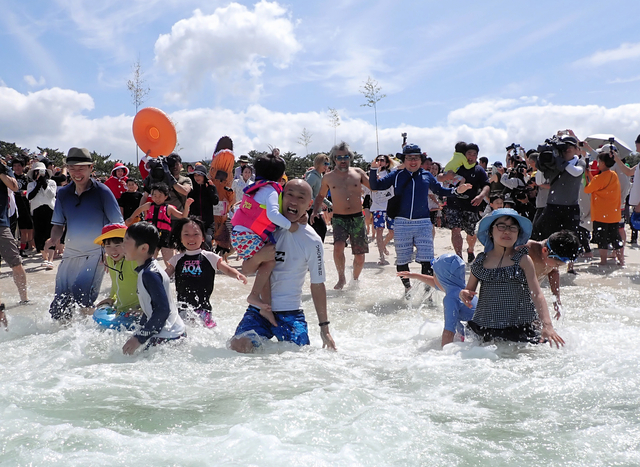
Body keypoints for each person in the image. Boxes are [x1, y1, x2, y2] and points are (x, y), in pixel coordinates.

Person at [229, 179, 336, 353]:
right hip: (259, 309)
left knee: (298, 356)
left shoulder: (312, 240)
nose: (293, 201)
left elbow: (317, 284)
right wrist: (259, 257)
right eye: (289, 195)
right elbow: (247, 270)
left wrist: (324, 328)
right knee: (238, 346)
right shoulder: (266, 228)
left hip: (290, 312)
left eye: (301, 198)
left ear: (309, 204)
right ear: (280, 197)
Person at [370, 144, 471, 297]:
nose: (413, 161)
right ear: (403, 159)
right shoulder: (396, 175)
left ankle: (427, 294)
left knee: (427, 261)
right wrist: (372, 169)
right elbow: (375, 185)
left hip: (423, 222)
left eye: (416, 158)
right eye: (409, 158)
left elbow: (440, 191)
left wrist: (457, 191)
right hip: (402, 222)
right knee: (402, 261)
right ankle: (408, 289)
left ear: (420, 160)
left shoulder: (426, 175)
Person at [460, 208, 564, 347]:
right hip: (486, 326)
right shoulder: (480, 260)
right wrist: (464, 294)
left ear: (518, 234)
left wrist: (547, 325)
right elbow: (469, 290)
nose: (507, 231)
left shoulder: (523, 260)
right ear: (491, 232)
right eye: (501, 226)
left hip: (520, 327)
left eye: (513, 228)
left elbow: (537, 294)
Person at [45, 147, 124, 320]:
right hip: (71, 252)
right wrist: (53, 238)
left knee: (83, 298)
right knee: (60, 301)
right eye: (72, 168)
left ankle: (87, 336)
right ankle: (61, 339)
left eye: (81, 168)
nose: (76, 172)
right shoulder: (63, 193)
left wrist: (112, 253)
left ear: (91, 168)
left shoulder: (102, 192)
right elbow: (58, 223)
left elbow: (118, 225)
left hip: (95, 253)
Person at [231, 150, 297, 316]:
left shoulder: (258, 189)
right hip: (248, 236)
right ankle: (254, 295)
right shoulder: (271, 191)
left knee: (265, 268)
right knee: (270, 262)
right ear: (281, 177)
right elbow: (273, 214)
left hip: (240, 235)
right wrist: (290, 226)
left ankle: (265, 307)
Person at [166, 217, 247, 328]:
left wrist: (237, 274)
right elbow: (164, 276)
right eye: (186, 234)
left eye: (196, 234)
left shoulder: (210, 257)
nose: (191, 238)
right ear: (180, 238)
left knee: (204, 331)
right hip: (183, 309)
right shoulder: (177, 259)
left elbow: (226, 268)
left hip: (203, 309)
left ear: (203, 238)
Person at [311, 142, 371, 289]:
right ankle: (341, 278)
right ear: (334, 159)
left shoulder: (358, 172)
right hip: (339, 218)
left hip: (357, 217)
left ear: (350, 157)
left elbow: (374, 187)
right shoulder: (328, 177)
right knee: (338, 247)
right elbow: (320, 196)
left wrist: (375, 170)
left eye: (345, 157)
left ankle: (355, 280)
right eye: (339, 157)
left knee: (359, 255)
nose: (343, 160)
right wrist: (314, 212)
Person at [122, 222, 186, 355]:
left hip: (168, 337)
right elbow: (152, 308)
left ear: (143, 248)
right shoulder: (148, 269)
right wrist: (140, 329)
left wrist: (138, 338)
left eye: (126, 241)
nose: (122, 246)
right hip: (170, 333)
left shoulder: (149, 274)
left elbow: (162, 310)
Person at [397, 253, 477, 347]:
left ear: (442, 279)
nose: (434, 278)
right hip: (477, 336)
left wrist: (442, 356)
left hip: (473, 341)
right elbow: (437, 283)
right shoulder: (461, 291)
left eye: (435, 275)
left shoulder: (450, 299)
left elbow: (449, 331)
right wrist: (415, 276)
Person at [443, 143, 490, 263]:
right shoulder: (457, 167)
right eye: (469, 153)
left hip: (472, 204)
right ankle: (459, 256)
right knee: (456, 229)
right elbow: (443, 177)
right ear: (464, 155)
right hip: (453, 202)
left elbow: (486, 185)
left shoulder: (479, 170)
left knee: (471, 232)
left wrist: (481, 196)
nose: (471, 156)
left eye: (474, 154)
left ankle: (470, 250)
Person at [125, 182, 193, 264]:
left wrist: (186, 206)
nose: (157, 198)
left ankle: (171, 276)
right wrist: (131, 218)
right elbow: (139, 210)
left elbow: (183, 216)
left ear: (166, 197)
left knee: (169, 262)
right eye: (155, 195)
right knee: (149, 260)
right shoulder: (148, 205)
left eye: (160, 196)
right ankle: (150, 274)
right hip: (151, 235)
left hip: (165, 237)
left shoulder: (169, 208)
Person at [522, 230, 581, 319]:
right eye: (557, 264)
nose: (556, 267)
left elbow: (553, 272)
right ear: (545, 250)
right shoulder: (526, 250)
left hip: (529, 297)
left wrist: (556, 299)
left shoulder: (549, 257)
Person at [584, 149, 623, 266]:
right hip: (613, 213)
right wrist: (591, 176)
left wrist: (587, 177)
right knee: (616, 238)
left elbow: (588, 189)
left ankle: (603, 261)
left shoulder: (598, 178)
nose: (598, 163)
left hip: (601, 214)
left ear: (603, 163)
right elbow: (598, 185)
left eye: (599, 161)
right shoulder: (614, 175)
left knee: (602, 239)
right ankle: (621, 261)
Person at [93, 224, 140, 314]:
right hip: (121, 309)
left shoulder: (134, 262)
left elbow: (150, 287)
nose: (113, 251)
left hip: (136, 311)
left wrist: (142, 310)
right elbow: (115, 282)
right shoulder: (110, 260)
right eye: (108, 246)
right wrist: (112, 297)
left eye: (117, 245)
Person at [0, 158, 29, 304]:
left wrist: (1, 171)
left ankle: (24, 299)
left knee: (16, 262)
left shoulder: (4, 169)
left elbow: (14, 187)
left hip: (1, 225)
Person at [26, 161, 57, 269]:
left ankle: (50, 259)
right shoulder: (31, 184)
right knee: (39, 234)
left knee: (50, 234)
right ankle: (44, 257)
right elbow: (30, 196)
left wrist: (44, 184)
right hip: (37, 210)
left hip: (49, 210)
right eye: (36, 172)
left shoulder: (52, 183)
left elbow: (51, 195)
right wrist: (38, 185)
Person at [369, 154, 396, 265]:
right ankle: (381, 256)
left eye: (382, 160)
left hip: (390, 206)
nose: (380, 162)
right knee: (379, 231)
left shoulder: (391, 173)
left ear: (387, 162)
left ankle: (383, 245)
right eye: (378, 160)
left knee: (392, 232)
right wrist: (374, 172)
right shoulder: (372, 174)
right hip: (377, 207)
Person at [304, 154, 331, 242]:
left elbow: (320, 195)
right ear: (318, 163)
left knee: (320, 232)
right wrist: (316, 202)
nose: (327, 166)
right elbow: (306, 191)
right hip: (310, 210)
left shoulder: (320, 176)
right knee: (320, 231)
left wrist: (330, 205)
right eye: (325, 164)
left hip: (315, 209)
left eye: (328, 164)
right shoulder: (312, 176)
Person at [11, 157, 35, 256]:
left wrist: (25, 192)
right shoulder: (10, 177)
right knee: (12, 228)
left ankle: (23, 248)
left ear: (23, 167)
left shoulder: (26, 178)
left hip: (24, 205)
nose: (17, 168)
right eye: (15, 165)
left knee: (25, 228)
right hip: (12, 205)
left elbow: (31, 190)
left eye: (19, 165)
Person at [187, 164, 219, 238]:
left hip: (208, 222)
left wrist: (210, 189)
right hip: (194, 221)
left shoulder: (211, 186)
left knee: (208, 240)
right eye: (195, 175)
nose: (196, 177)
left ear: (204, 176)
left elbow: (215, 201)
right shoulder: (191, 187)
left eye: (199, 175)